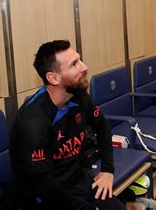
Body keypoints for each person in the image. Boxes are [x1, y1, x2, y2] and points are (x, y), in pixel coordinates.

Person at [9, 40, 125, 210]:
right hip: (47, 199)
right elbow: (45, 186)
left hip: (79, 179)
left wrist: (108, 170)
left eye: (80, 60)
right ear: (53, 78)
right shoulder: (33, 122)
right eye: (74, 64)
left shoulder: (78, 96)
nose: (84, 67)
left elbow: (102, 126)